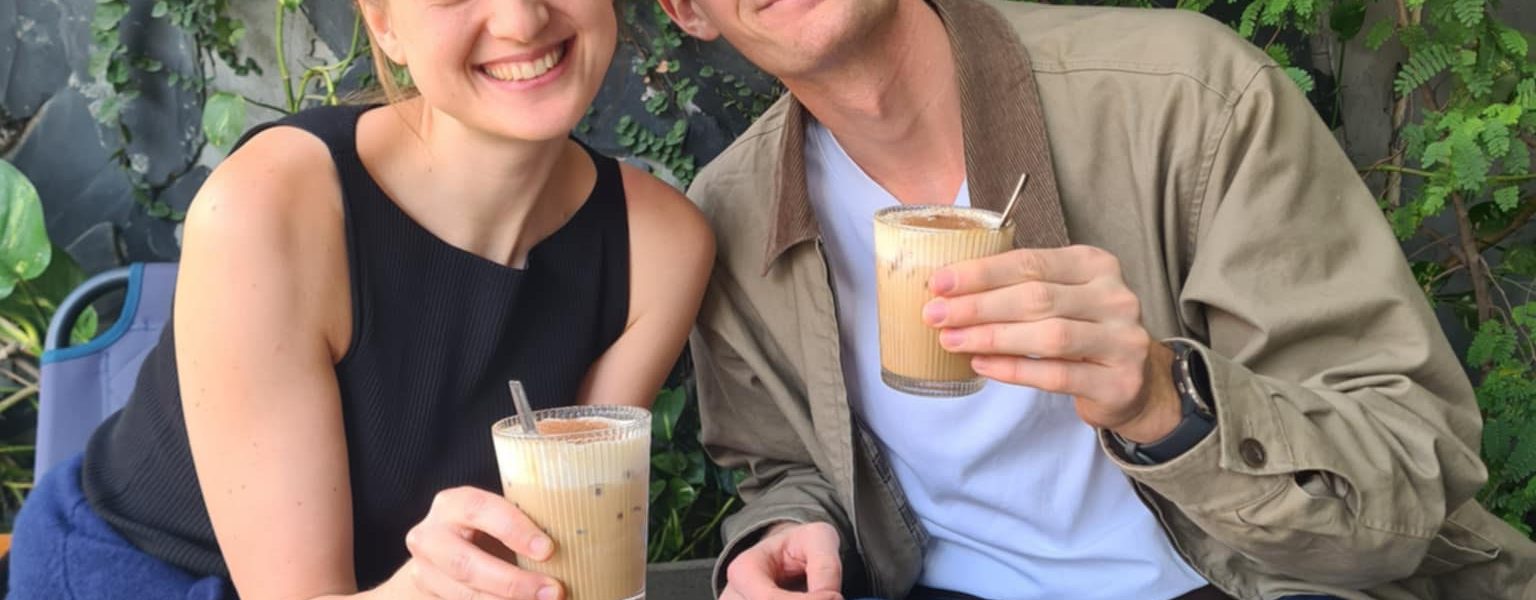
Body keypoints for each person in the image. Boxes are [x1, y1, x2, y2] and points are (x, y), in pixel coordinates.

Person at [657, 0, 1536, 598]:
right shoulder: (730, 217)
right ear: (687, 11)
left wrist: (1167, 402)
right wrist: (789, 532)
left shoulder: (1189, 99)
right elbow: (783, 469)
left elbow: (1412, 465)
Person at [9, 0, 714, 598]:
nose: (521, 19)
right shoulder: (271, 204)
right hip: (143, 572)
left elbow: (560, 550)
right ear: (384, 23)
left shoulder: (662, 248)